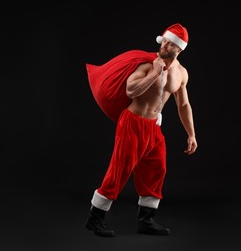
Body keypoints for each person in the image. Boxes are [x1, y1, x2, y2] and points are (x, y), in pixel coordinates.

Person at [85, 23, 198, 237]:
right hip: (133, 122)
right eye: (163, 40)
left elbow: (183, 105)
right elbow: (130, 89)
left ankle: (146, 220)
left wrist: (191, 134)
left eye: (170, 43)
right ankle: (95, 218)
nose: (164, 44)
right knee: (121, 169)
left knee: (157, 169)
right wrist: (154, 74)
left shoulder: (181, 73)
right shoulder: (148, 64)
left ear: (180, 49)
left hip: (154, 126)